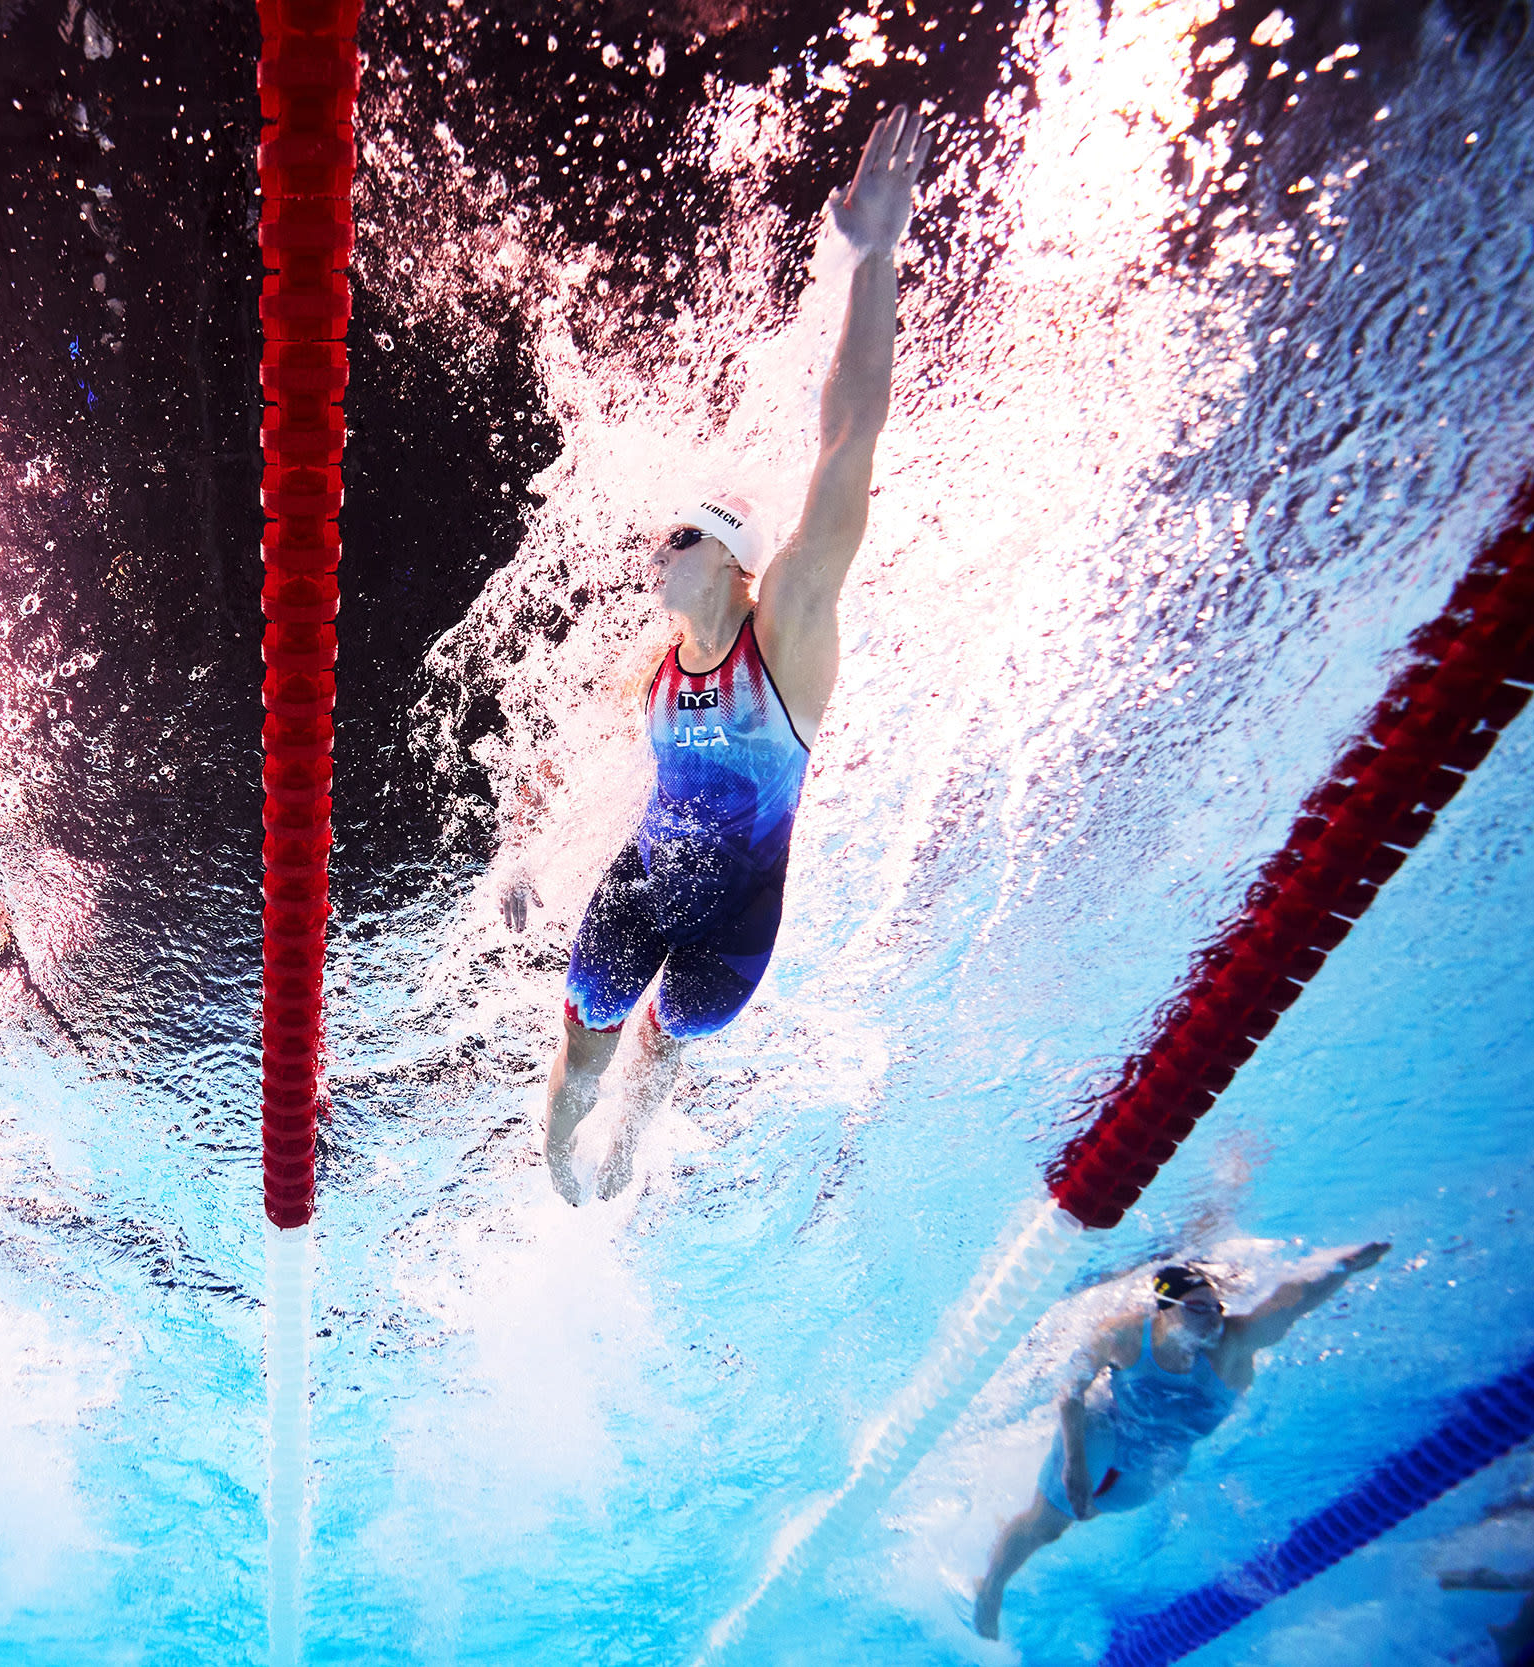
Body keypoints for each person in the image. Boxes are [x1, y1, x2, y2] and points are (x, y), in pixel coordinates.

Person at [501, 104, 932, 1204]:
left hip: (735, 925)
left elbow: (851, 438)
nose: (657, 547)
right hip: (644, 885)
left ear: (735, 564)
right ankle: (559, 1157)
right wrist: (518, 852)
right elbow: (562, 749)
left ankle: (630, 1147)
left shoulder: (783, 629)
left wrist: (871, 257)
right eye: (661, 535)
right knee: (582, 1046)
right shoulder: (655, 662)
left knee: (661, 1050)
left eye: (679, 535)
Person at [972, 1241, 1394, 1640]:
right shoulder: (1124, 1335)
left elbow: (1290, 1303)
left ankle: (1014, 1531)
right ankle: (991, 1588)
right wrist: (1075, 1464)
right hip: (1105, 1434)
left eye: (1216, 1307)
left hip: (1156, 1466)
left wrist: (1343, 1266)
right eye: (1198, 1308)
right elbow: (1070, 1392)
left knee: (1080, 1515)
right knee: (1049, 1525)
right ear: (1166, 1311)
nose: (1213, 1319)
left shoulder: (1234, 1343)